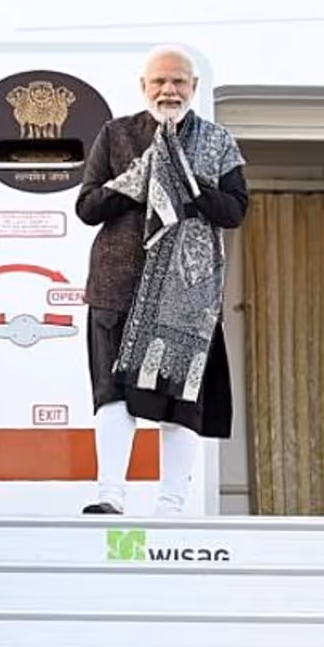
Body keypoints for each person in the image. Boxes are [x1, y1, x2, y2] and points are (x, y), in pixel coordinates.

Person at [74, 45, 249, 516]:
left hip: (188, 294)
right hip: (117, 287)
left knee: (181, 398)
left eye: (178, 81)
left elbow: (235, 210)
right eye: (159, 82)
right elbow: (87, 207)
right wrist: (142, 175)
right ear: (143, 87)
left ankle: (171, 505)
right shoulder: (116, 135)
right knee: (112, 394)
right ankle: (109, 495)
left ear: (193, 87)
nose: (169, 90)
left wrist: (189, 184)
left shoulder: (217, 141)